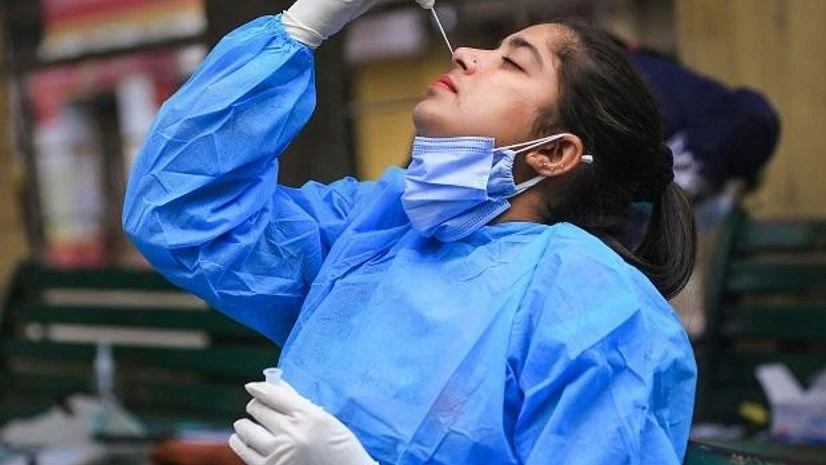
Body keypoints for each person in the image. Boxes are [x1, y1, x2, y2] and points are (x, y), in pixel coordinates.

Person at [122, 0, 698, 463]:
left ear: (552, 153)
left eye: (514, 63)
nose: (467, 54)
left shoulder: (599, 307)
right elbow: (182, 214)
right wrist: (304, 24)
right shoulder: (380, 227)